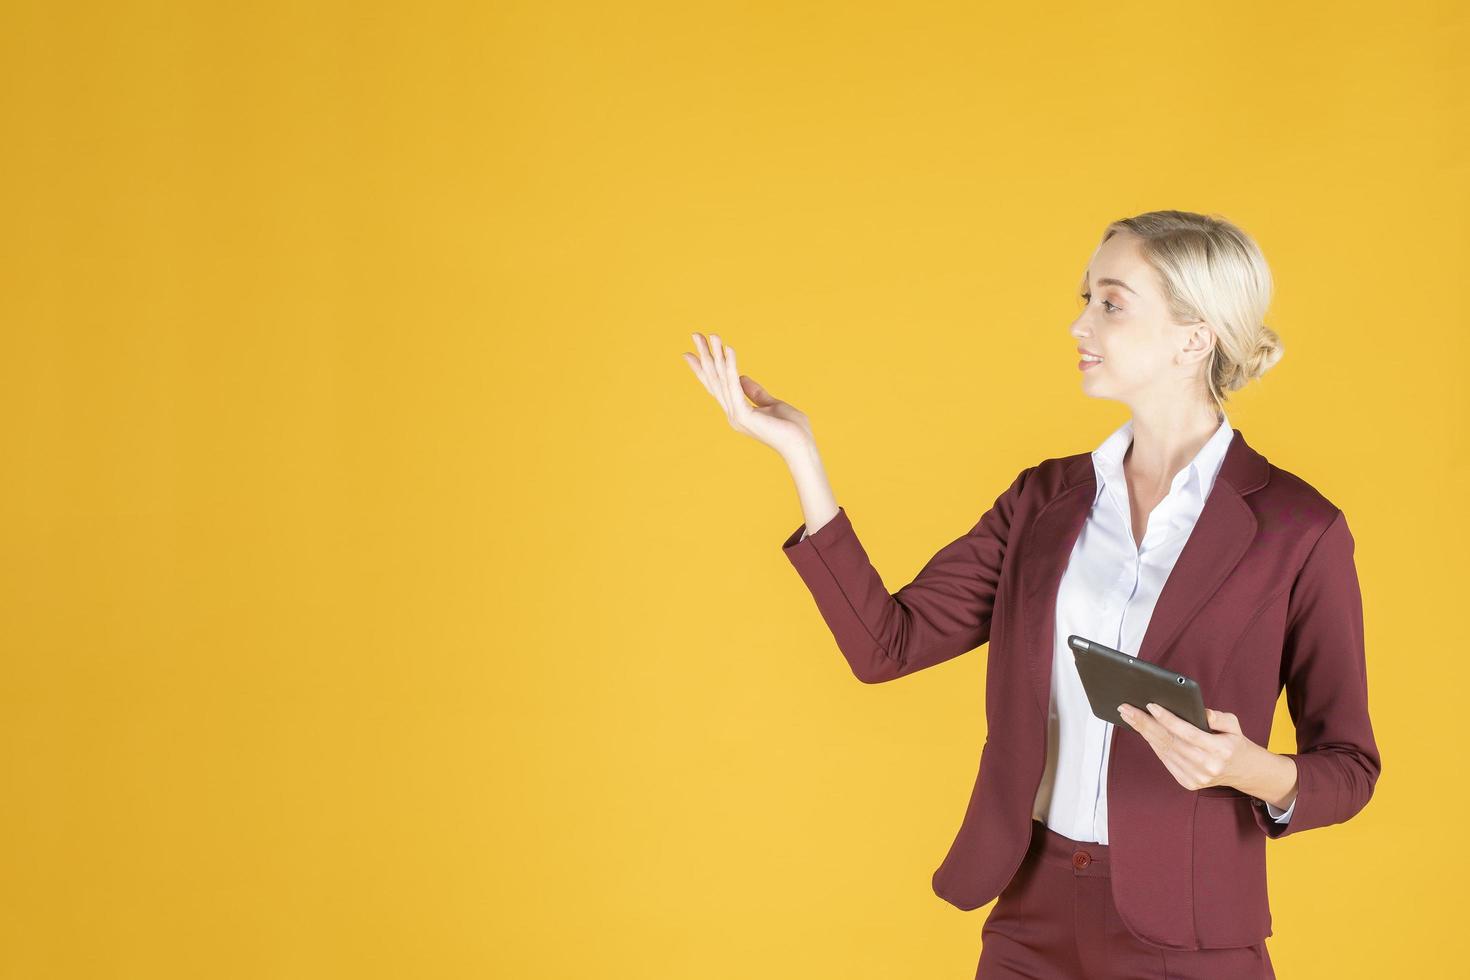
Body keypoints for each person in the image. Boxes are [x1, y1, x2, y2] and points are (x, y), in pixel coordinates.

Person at [679, 210, 1381, 979]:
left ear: (1194, 337)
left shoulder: (1296, 528)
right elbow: (887, 645)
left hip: (1193, 937)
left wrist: (1247, 769)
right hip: (1030, 915)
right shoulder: (1045, 500)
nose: (1079, 322)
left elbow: (1348, 768)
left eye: (1110, 303)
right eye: (1086, 297)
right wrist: (800, 456)